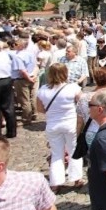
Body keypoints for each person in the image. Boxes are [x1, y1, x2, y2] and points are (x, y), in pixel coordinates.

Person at [37, 63, 84, 192]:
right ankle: (77, 178)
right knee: (74, 150)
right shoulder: (73, 88)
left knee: (57, 153)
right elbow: (82, 105)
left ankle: (55, 182)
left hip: (53, 124)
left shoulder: (43, 90)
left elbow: (40, 109)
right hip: (70, 123)